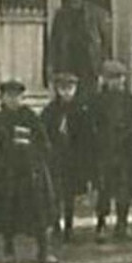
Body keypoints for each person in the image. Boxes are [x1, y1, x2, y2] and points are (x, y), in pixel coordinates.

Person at [0, 80, 59, 263]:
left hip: (31, 173)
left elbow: (44, 144)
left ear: (23, 98)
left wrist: (36, 161)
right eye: (9, 96)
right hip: (7, 175)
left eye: (17, 96)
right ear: (2, 98)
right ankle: (9, 252)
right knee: (7, 213)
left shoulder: (30, 118)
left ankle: (43, 252)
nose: (13, 100)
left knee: (39, 213)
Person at [40, 71, 91, 243]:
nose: (67, 92)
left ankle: (69, 228)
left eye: (70, 88)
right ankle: (55, 226)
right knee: (55, 194)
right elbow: (43, 134)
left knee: (70, 195)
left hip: (73, 158)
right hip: (55, 158)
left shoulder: (81, 110)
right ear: (57, 90)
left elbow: (86, 136)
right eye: (63, 89)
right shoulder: (49, 111)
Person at [91, 60, 132, 242]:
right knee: (104, 191)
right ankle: (101, 226)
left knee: (124, 191)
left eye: (120, 78)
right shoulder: (97, 101)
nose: (117, 82)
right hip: (105, 152)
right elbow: (93, 127)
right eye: (112, 78)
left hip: (125, 152)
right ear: (104, 79)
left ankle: (122, 226)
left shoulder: (129, 100)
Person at [46, 0, 111, 96]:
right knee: (69, 94)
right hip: (68, 61)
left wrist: (103, 62)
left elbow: (105, 39)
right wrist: (52, 66)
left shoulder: (95, 13)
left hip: (89, 63)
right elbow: (54, 42)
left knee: (91, 94)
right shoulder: (61, 14)